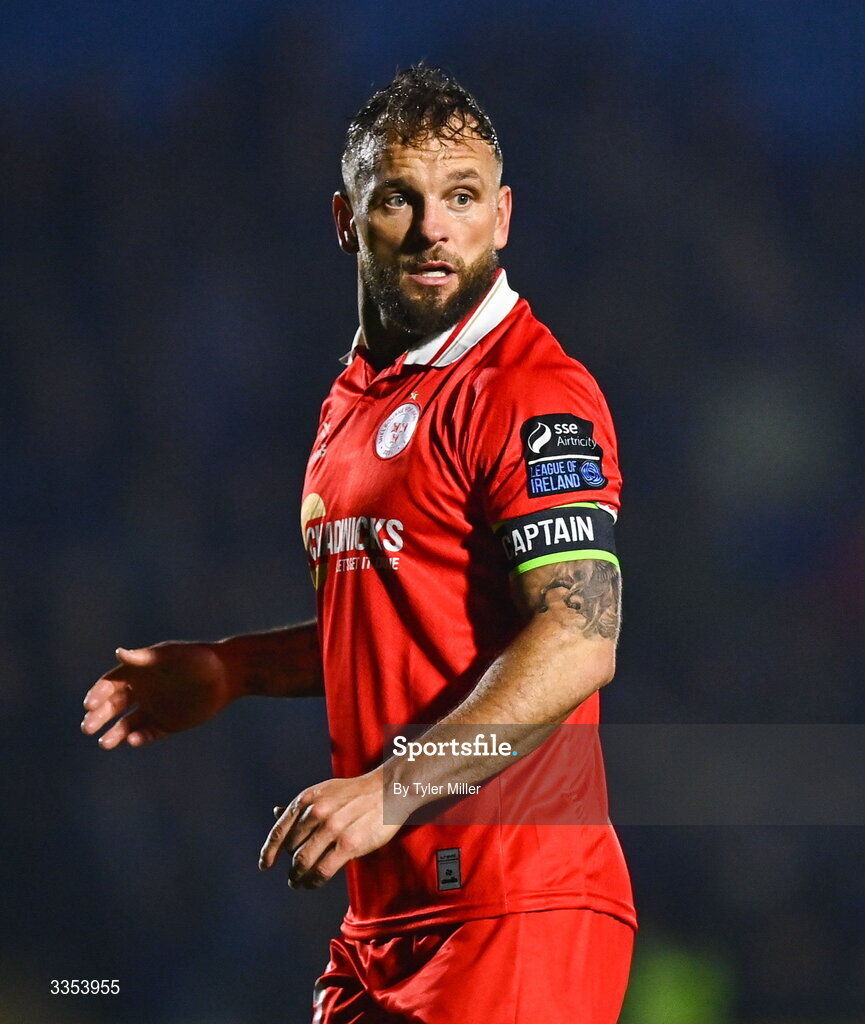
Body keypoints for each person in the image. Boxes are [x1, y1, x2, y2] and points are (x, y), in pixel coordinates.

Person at [82, 64, 635, 1023]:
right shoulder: (355, 398)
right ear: (347, 220)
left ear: (501, 216)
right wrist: (232, 667)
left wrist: (391, 786)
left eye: (461, 198)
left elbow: (579, 638)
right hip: (386, 918)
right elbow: (400, 622)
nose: (433, 227)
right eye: (399, 200)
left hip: (518, 906)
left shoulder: (527, 390)